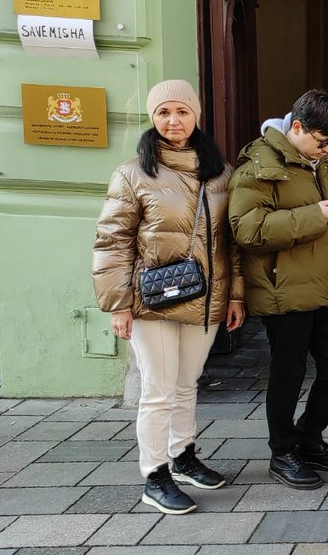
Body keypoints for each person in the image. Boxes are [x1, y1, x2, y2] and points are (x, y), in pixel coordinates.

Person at [92, 79, 246, 515]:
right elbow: (112, 241)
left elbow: (231, 242)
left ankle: (182, 456)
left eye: (182, 111)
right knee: (158, 390)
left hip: (207, 298)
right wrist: (118, 304)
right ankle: (154, 475)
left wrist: (235, 295)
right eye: (163, 112)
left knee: (186, 383)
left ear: (196, 114)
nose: (173, 120)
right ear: (152, 117)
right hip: (153, 301)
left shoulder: (220, 172)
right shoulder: (132, 173)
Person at [228, 90, 328, 490]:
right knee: (288, 373)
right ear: (297, 127)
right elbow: (247, 229)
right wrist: (313, 216)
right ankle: (282, 452)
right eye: (321, 142)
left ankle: (309, 439)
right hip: (284, 289)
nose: (327, 150)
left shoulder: (326, 162)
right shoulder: (259, 163)